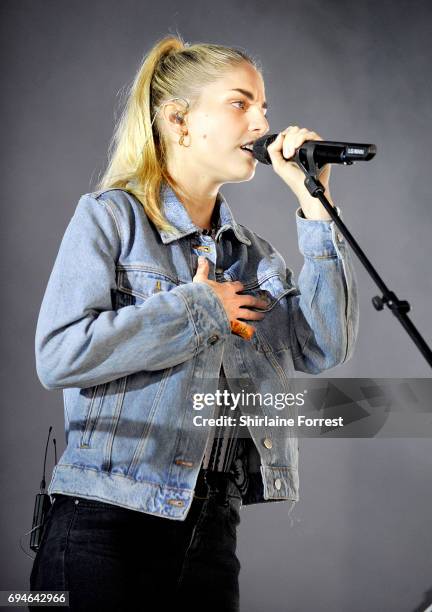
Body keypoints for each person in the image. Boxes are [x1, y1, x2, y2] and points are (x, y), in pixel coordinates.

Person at [30, 35, 359, 611]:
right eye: (241, 103)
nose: (262, 121)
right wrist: (200, 309)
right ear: (178, 120)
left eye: (265, 107)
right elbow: (59, 355)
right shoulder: (110, 218)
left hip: (211, 526)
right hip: (107, 519)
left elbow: (324, 347)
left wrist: (315, 208)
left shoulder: (255, 257)